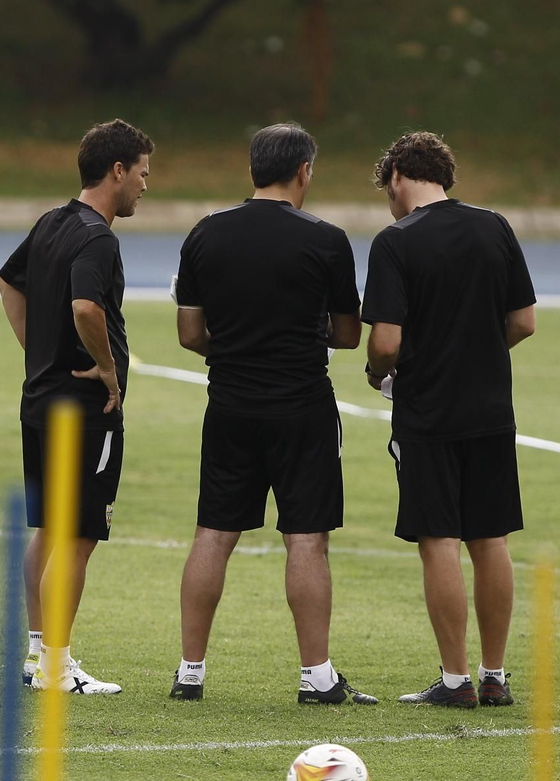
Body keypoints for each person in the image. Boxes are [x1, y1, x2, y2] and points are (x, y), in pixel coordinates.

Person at [168, 123, 379, 706]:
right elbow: (346, 334)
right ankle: (316, 676)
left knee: (213, 532)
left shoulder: (205, 234)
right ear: (304, 170)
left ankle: (190, 671)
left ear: (254, 169)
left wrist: (237, 346)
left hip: (230, 403)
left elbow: (189, 333)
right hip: (301, 406)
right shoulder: (327, 239)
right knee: (306, 538)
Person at [360, 131, 536, 709]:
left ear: (397, 178)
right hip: (490, 409)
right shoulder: (495, 226)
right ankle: (495, 674)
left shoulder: (395, 242)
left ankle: (456, 681)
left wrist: (377, 371)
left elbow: (385, 340)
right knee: (490, 537)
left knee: (438, 539)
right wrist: (479, 353)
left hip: (427, 412)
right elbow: (524, 321)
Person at [0, 118, 152, 695]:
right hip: (85, 409)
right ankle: (59, 665)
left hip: (38, 401)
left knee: (49, 530)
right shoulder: (97, 237)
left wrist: (37, 350)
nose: (144, 184)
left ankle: (39, 656)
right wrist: (108, 371)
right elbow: (87, 308)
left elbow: (8, 282)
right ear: (117, 170)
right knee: (79, 535)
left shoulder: (51, 222)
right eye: (141, 172)